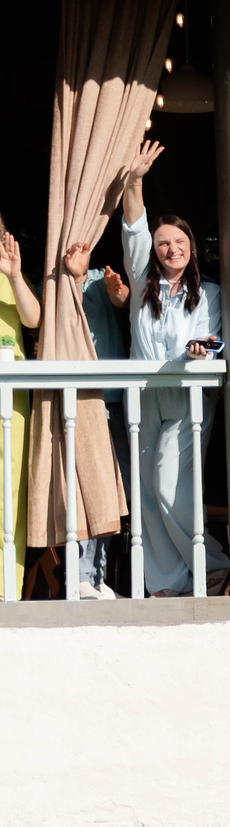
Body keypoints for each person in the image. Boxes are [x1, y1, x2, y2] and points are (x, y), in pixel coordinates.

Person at [113, 148, 230, 598]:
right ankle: (167, 581)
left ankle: (213, 564)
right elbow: (133, 227)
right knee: (147, 490)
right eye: (163, 242)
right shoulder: (142, 278)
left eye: (178, 241)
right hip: (142, 394)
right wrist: (134, 181)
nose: (170, 247)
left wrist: (199, 352)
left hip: (186, 396)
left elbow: (208, 339)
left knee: (169, 483)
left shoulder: (210, 294)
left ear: (191, 247)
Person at [56, 230, 131, 599]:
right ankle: (81, 575)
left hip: (114, 398)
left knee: (112, 491)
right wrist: (72, 278)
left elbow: (122, 302)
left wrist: (120, 296)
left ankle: (97, 576)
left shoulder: (104, 279)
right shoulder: (54, 285)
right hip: (81, 399)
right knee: (86, 489)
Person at [0, 221, 39, 600]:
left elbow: (32, 319)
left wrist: (13, 276)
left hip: (10, 400)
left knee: (9, 487)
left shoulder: (10, 274)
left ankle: (4, 586)